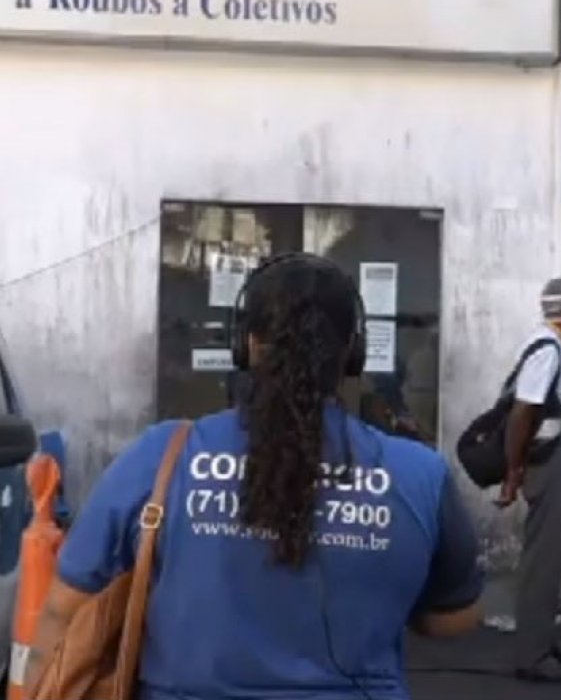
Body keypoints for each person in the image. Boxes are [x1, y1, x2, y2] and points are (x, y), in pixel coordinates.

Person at [25, 253, 483, 700]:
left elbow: (64, 608)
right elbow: (454, 618)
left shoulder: (161, 456)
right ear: (353, 353)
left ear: (245, 344)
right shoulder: (420, 473)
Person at [495, 277, 561, 684]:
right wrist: (513, 471)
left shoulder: (558, 347)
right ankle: (532, 655)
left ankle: (541, 641)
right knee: (543, 559)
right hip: (550, 461)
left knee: (548, 558)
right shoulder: (548, 349)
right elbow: (523, 413)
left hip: (557, 457)